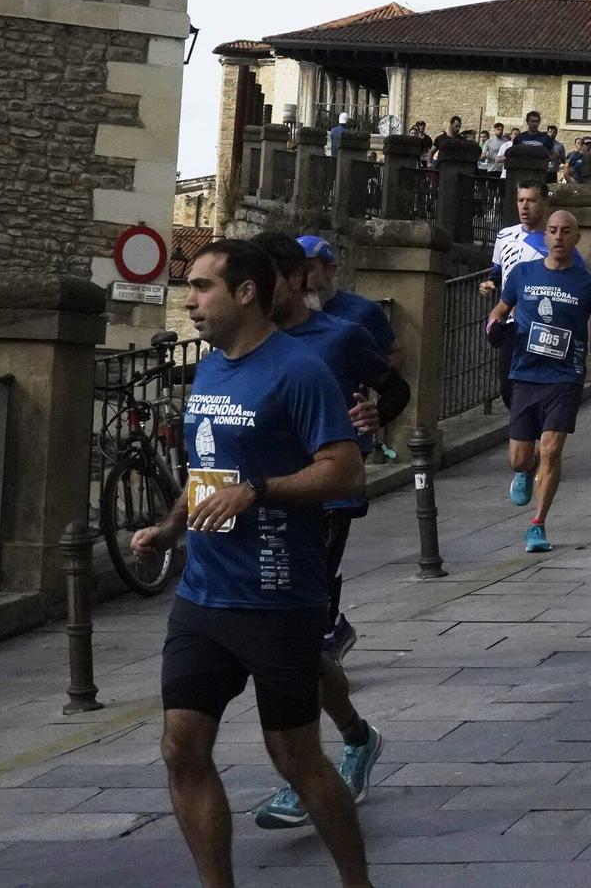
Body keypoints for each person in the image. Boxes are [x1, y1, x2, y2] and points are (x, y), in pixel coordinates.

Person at [135, 240, 371, 888]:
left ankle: (358, 881)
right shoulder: (210, 369)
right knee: (181, 747)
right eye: (188, 286)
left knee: (295, 755)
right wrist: (169, 526)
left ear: (245, 293)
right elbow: (208, 469)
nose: (189, 299)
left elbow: (345, 468)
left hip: (277, 594)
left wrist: (259, 490)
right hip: (204, 597)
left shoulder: (298, 371)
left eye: (203, 286)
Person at [245, 234, 412, 831]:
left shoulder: (339, 335)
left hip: (325, 498)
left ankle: (304, 773)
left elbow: (393, 385)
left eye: (262, 280)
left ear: (298, 278)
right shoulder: (245, 340)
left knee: (290, 642)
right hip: (256, 504)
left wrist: (376, 413)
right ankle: (356, 737)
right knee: (294, 644)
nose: (252, 294)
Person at [486, 211, 591, 552]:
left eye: (566, 231)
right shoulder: (522, 274)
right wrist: (493, 330)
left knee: (551, 450)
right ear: (545, 238)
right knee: (520, 458)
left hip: (565, 377)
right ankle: (524, 469)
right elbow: (498, 312)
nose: (559, 237)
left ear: (577, 238)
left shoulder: (587, 284)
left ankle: (538, 525)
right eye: (552, 231)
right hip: (525, 373)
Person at [481, 181, 560, 415]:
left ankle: (534, 437)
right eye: (520, 200)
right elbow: (498, 271)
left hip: (546, 325)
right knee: (507, 387)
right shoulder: (505, 236)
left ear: (545, 203)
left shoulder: (556, 240)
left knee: (540, 385)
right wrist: (490, 283)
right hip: (513, 324)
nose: (524, 206)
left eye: (532, 200)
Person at [298, 238, 397, 365]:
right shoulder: (287, 315)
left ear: (330, 270)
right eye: (296, 272)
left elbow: (395, 353)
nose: (301, 278)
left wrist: (369, 378)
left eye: (308, 269)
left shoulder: (363, 310)